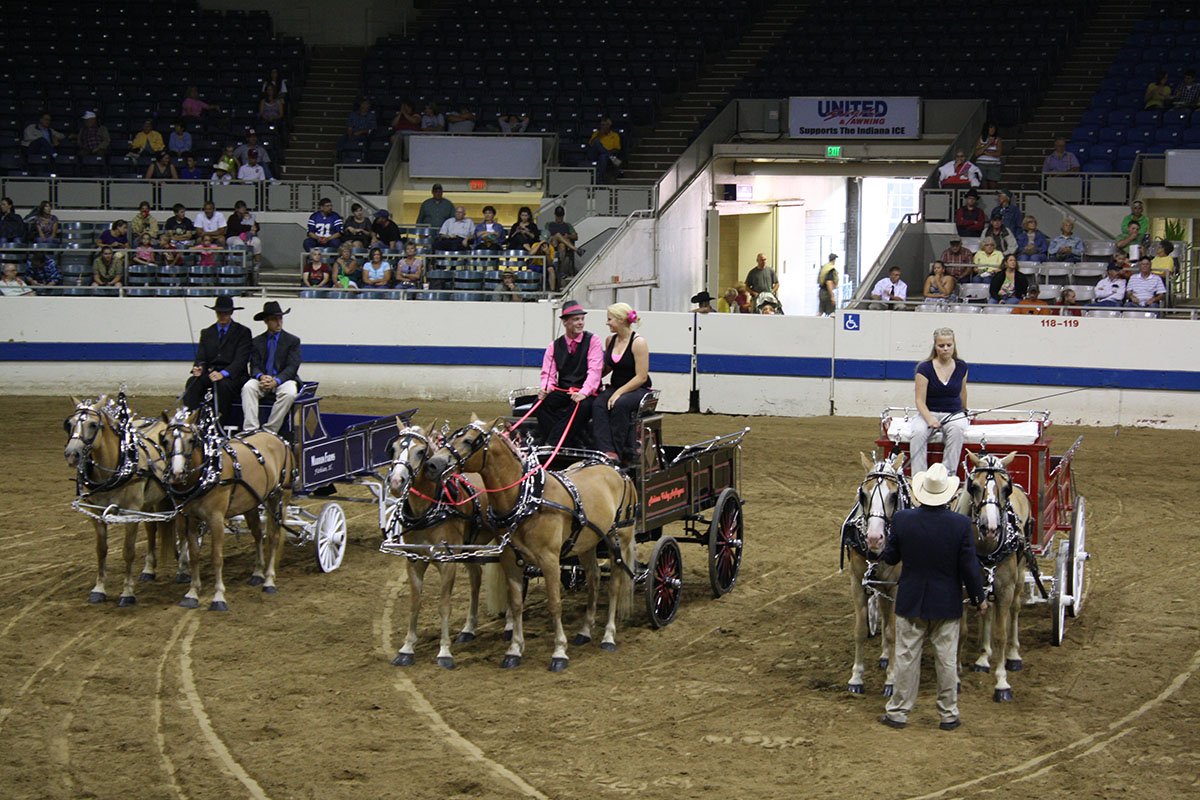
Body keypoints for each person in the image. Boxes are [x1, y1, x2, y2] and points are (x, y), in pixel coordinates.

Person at [878, 462, 987, 731]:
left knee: (905, 658)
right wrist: (979, 598)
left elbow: (890, 557)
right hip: (946, 603)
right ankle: (948, 714)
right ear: (948, 495)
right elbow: (969, 567)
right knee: (947, 660)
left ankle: (898, 712)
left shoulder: (903, 520)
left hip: (911, 601)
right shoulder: (960, 525)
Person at [536, 300, 603, 450]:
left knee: (580, 406)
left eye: (582, 319)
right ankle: (567, 444)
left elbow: (595, 371)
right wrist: (545, 389)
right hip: (564, 391)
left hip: (587, 392)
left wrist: (584, 392)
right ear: (565, 322)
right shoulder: (554, 346)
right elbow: (548, 373)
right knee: (540, 404)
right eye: (576, 319)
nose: (580, 323)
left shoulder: (593, 340)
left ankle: (552, 444)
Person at [592, 303, 652, 464]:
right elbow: (610, 366)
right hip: (617, 386)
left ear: (620, 320)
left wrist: (619, 393)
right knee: (598, 404)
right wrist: (591, 378)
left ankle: (620, 451)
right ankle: (606, 450)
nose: (607, 323)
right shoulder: (610, 340)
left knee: (620, 404)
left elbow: (641, 376)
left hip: (638, 388)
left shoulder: (638, 342)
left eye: (609, 319)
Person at [181, 295, 252, 425]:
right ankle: (191, 419)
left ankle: (218, 423)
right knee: (192, 382)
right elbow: (201, 357)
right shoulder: (207, 332)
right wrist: (199, 367)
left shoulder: (243, 332)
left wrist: (223, 374)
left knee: (222, 386)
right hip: (211, 373)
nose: (223, 316)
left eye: (226, 313)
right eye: (220, 313)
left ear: (231, 313)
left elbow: (241, 360)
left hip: (232, 376)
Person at [909, 327, 969, 476]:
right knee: (918, 432)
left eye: (949, 345)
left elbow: (963, 391)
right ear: (935, 346)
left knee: (956, 430)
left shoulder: (962, 366)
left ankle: (947, 475)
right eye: (941, 346)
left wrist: (965, 412)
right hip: (928, 412)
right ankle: (919, 475)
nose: (945, 349)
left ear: (954, 345)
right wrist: (930, 419)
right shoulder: (924, 368)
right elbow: (919, 400)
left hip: (954, 413)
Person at [241, 301, 302, 435]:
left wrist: (276, 381)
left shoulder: (292, 341)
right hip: (263, 379)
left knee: (290, 393)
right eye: (275, 319)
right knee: (248, 387)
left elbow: (292, 367)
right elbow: (254, 365)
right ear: (266, 321)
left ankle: (270, 430)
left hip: (283, 380)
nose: (279, 322)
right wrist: (261, 377)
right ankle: (250, 429)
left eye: (280, 318)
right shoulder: (257, 341)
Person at [225, 201, 263, 266]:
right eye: (241, 208)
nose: (243, 209)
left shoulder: (248, 217)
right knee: (239, 243)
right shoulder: (232, 218)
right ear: (236, 209)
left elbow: (257, 227)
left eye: (244, 208)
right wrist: (250, 227)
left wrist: (253, 227)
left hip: (247, 236)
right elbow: (237, 227)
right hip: (234, 237)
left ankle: (257, 264)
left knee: (257, 241)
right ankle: (239, 264)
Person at [587, 117, 622, 182]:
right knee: (597, 141)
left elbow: (617, 148)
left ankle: (601, 179)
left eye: (606, 125)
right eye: (602, 125)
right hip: (595, 154)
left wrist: (607, 153)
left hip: (605, 157)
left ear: (609, 125)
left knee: (603, 157)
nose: (603, 127)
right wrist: (599, 135)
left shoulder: (614, 135)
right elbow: (591, 144)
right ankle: (612, 158)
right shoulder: (597, 133)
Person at [973, 121, 1003, 189]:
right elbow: (977, 153)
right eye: (990, 128)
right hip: (981, 164)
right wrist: (988, 144)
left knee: (992, 184)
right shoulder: (980, 139)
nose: (992, 130)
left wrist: (985, 152)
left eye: (993, 128)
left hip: (994, 165)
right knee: (983, 184)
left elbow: (998, 153)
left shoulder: (997, 140)